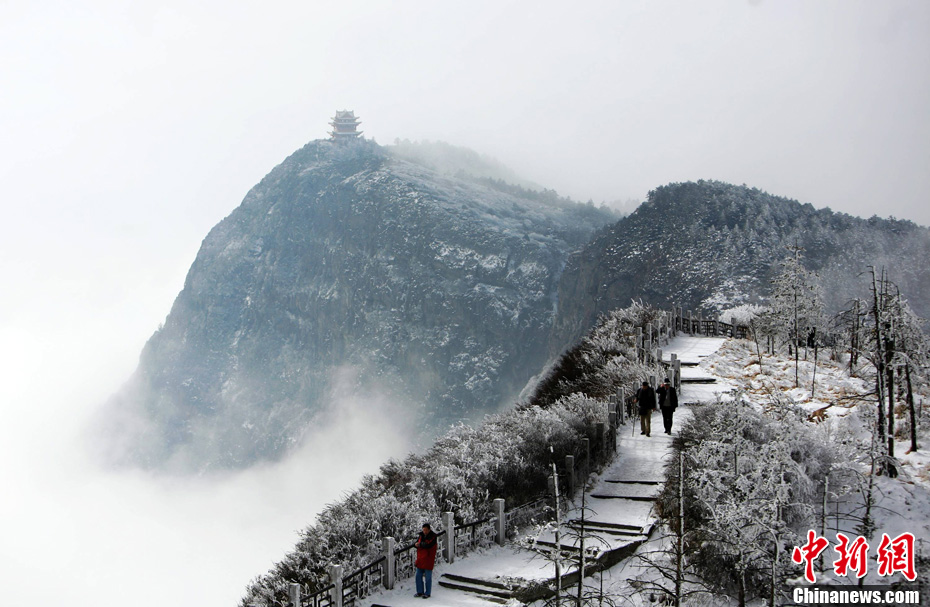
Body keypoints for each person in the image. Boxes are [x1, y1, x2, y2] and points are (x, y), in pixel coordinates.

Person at [414, 523, 438, 598]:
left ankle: (427, 593)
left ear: (429, 529)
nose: (424, 531)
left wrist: (420, 545)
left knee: (428, 577)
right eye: (423, 530)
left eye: (426, 530)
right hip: (420, 559)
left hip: (428, 559)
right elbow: (418, 543)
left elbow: (428, 545)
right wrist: (417, 544)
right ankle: (420, 591)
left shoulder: (433, 536)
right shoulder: (421, 536)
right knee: (418, 576)